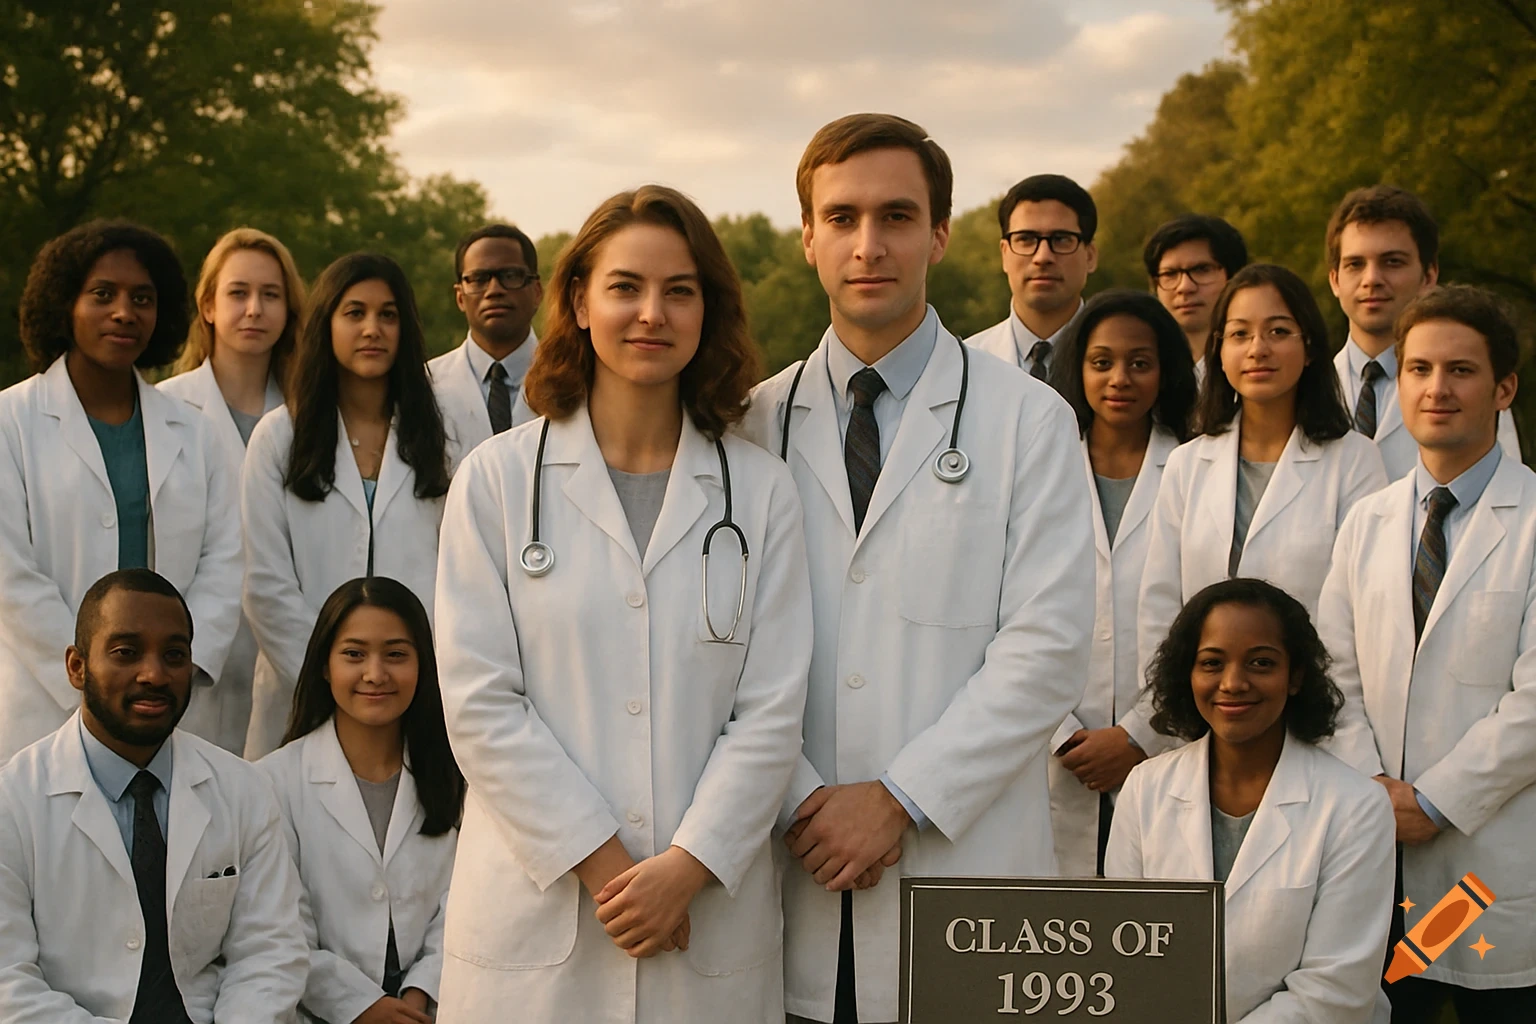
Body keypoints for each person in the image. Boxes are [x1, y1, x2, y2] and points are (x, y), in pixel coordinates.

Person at [737, 113, 1094, 1024]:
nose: (869, 244)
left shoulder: (1030, 420)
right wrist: (804, 799)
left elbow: (1047, 649)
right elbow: (717, 654)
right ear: (808, 236)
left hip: (961, 873)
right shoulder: (748, 427)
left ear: (938, 235)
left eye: (897, 216)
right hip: (791, 863)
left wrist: (899, 799)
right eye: (842, 217)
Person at [432, 185, 813, 1023]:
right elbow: (480, 703)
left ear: (708, 310)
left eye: (680, 291)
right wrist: (609, 869)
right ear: (578, 302)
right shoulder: (497, 482)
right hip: (539, 924)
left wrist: (687, 868)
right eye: (625, 287)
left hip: (704, 917)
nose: (652, 314)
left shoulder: (759, 490)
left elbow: (771, 711)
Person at [1319, 285, 1536, 1021]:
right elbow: (1333, 674)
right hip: (1378, 853)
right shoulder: (1367, 522)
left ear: (1504, 389)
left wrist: (1434, 802)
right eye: (1418, 369)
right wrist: (1374, 788)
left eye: (1461, 370)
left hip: (1486, 859)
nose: (1436, 388)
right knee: (1385, 1005)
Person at [0, 568, 309, 1022]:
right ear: (77, 667)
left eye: (174, 655)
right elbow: (9, 983)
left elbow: (271, 952)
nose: (153, 674)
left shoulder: (242, 789)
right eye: (126, 652)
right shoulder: (12, 802)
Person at [0, 221, 242, 762]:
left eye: (142, 298)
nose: (124, 312)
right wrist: (92, 674)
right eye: (103, 294)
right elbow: (10, 573)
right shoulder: (9, 422)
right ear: (65, 303)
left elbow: (224, 560)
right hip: (45, 703)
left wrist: (175, 665)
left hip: (166, 702)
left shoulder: (194, 431)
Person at [1107, 577, 1396, 1024]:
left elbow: (1335, 992)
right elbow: (1124, 956)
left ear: (1295, 676)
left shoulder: (1357, 806)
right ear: (1188, 673)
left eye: (1261, 663)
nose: (1233, 683)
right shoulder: (1145, 789)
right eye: (1212, 663)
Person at [1129, 264, 1387, 755]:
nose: (1258, 349)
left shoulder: (1355, 461)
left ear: (1310, 348)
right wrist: (1179, 712)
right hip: (1209, 718)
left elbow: (1360, 613)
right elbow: (1160, 604)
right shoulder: (1188, 464)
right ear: (1219, 351)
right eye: (1240, 334)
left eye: (1278, 332)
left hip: (1316, 720)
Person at [242, 253, 452, 760]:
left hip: (418, 695)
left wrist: (405, 676)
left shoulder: (444, 436)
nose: (372, 329)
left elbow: (458, 576)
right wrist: (333, 679)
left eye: (388, 315)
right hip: (300, 691)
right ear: (326, 325)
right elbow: (265, 584)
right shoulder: (279, 437)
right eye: (355, 313)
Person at [259, 577, 462, 1024]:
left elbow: (463, 904)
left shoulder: (458, 774)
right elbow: (279, 926)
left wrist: (419, 994)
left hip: (437, 1006)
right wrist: (360, 1006)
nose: (375, 674)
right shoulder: (272, 783)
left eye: (396, 655)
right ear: (324, 665)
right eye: (354, 654)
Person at [1044, 289, 1197, 877]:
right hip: (1050, 750)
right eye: (1102, 362)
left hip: (1165, 743)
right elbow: (1001, 608)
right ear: (1077, 368)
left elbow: (1204, 616)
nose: (1120, 379)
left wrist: (1138, 734)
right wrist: (1061, 735)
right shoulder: (1039, 467)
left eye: (1140, 362)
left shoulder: (1194, 468)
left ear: (1166, 371)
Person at [159, 227, 306, 753]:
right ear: (208, 306)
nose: (254, 310)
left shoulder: (310, 417)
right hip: (191, 656)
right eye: (238, 293)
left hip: (288, 658)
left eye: (271, 295)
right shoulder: (164, 410)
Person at [1326, 185, 1520, 479]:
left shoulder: (1473, 386)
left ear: (1429, 276)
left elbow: (1505, 491)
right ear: (1335, 280)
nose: (1372, 279)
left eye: (1392, 262)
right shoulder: (1305, 391)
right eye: (1355, 264)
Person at [428, 224, 543, 466]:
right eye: (479, 279)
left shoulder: (578, 379)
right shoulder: (424, 385)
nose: (494, 290)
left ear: (536, 291)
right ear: (460, 296)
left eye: (510, 276)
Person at [965, 174, 1097, 380]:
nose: (1043, 257)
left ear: (1090, 256)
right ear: (1004, 254)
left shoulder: (1128, 368)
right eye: (1026, 239)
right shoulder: (962, 366)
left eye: (1061, 239)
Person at [1143, 213, 1249, 371]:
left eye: (1202, 270)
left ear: (1234, 277)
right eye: (1170, 274)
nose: (1184, 287)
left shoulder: (1261, 363)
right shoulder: (1142, 372)